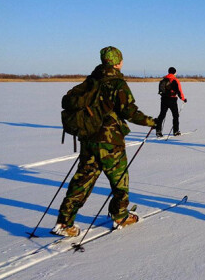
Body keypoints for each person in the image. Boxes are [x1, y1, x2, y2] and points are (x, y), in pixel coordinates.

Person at [52, 46, 158, 236]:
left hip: (88, 137)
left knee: (82, 180)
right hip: (110, 141)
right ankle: (120, 217)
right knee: (120, 181)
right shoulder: (117, 83)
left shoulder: (92, 80)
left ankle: (64, 222)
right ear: (118, 62)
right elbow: (129, 111)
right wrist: (151, 122)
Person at [156, 67, 187, 138]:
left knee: (162, 115)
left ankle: (158, 131)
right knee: (175, 115)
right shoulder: (175, 80)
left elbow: (160, 91)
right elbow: (179, 91)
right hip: (172, 100)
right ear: (174, 72)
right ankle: (175, 131)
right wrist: (183, 99)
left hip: (164, 99)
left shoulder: (163, 80)